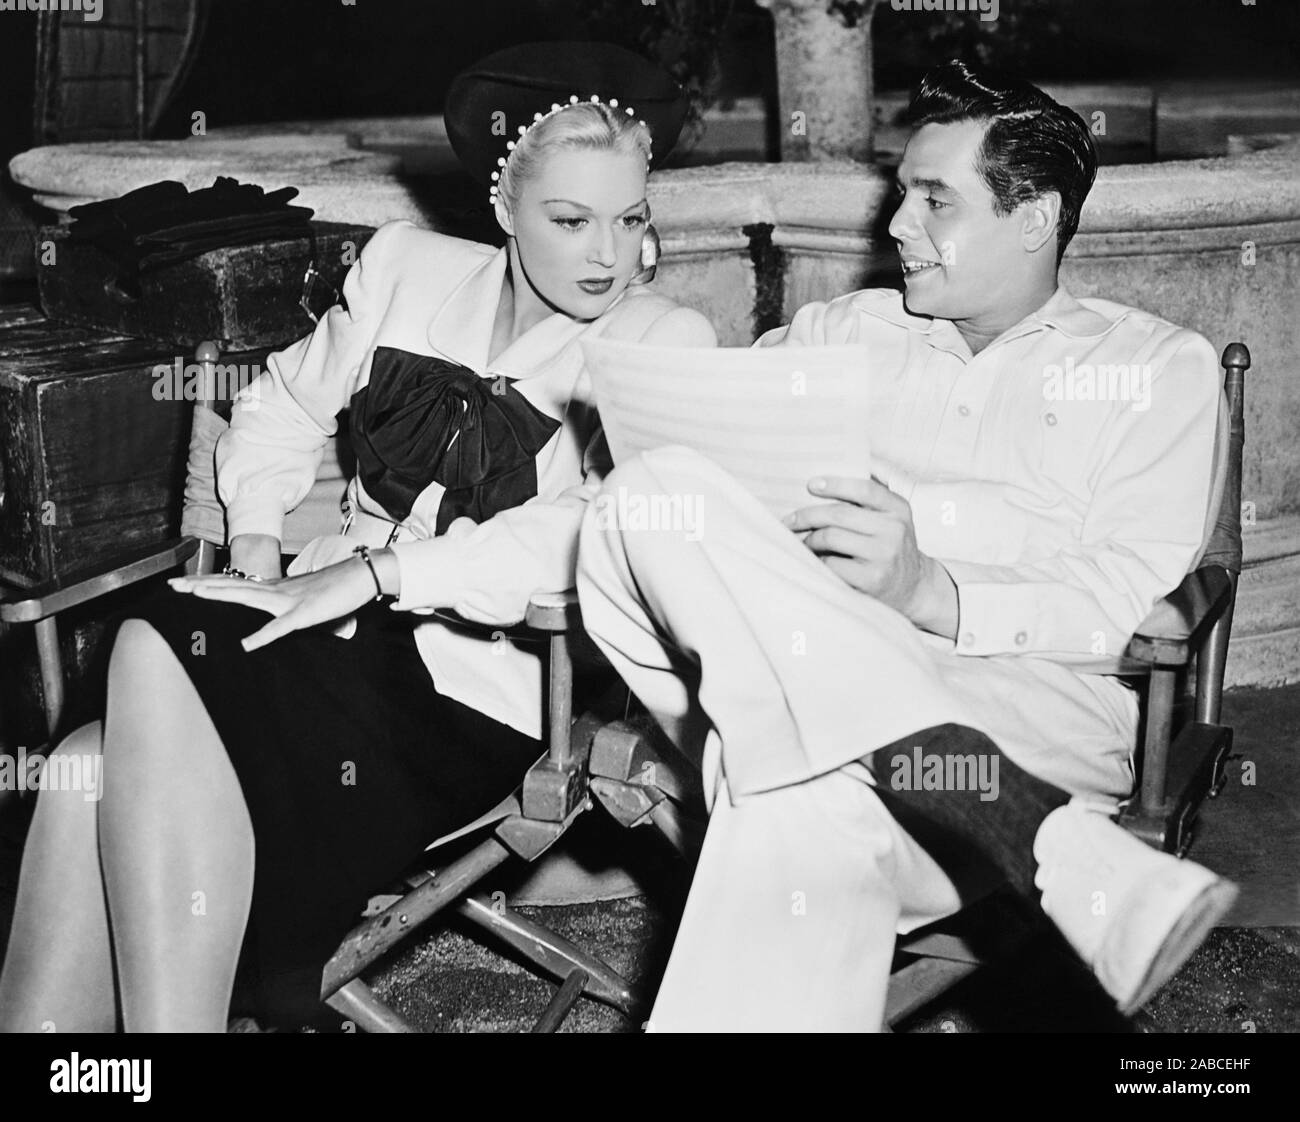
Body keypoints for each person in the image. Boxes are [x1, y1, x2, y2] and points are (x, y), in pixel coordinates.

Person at [0, 42, 715, 1033]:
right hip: (314, 628)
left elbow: (588, 533)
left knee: (136, 672)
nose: (609, 253)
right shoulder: (405, 267)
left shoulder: (658, 340)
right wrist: (254, 534)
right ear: (505, 210)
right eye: (571, 219)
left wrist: (375, 575)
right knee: (88, 758)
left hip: (476, 692)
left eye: (630, 219)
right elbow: (281, 404)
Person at [575, 60, 1238, 1032]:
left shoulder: (1149, 368)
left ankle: (1014, 806)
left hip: (1021, 708)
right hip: (789, 662)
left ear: (1035, 217)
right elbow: (687, 477)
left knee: (798, 808)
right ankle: (1042, 838)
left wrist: (933, 592)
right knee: (649, 490)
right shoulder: (838, 330)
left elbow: (1127, 600)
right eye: (901, 196)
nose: (895, 227)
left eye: (935, 200)